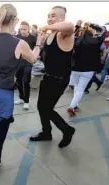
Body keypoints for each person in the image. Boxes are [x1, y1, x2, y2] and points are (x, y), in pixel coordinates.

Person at [0, 4, 42, 185]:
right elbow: (33, 59)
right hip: (0, 97)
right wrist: (39, 43)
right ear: (15, 21)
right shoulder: (19, 43)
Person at [29, 6, 76, 148]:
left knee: (47, 109)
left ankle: (67, 130)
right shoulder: (50, 35)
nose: (49, 18)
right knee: (41, 107)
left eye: (53, 16)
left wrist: (44, 27)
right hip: (48, 77)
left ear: (62, 17)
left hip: (59, 80)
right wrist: (39, 42)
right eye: (48, 15)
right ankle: (46, 133)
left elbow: (70, 26)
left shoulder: (64, 34)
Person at [67, 22, 106, 116]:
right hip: (88, 69)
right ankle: (71, 107)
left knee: (77, 87)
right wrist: (92, 24)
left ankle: (75, 105)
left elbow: (71, 34)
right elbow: (103, 30)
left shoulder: (76, 40)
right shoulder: (97, 40)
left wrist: (78, 26)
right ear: (92, 33)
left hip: (75, 68)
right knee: (80, 89)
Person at [15, 21, 37, 110]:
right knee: (18, 81)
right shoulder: (16, 37)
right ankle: (21, 98)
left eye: (24, 29)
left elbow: (37, 48)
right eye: (21, 29)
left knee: (26, 81)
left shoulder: (33, 38)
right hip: (18, 62)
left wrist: (35, 57)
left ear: (28, 29)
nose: (23, 31)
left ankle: (26, 101)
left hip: (28, 62)